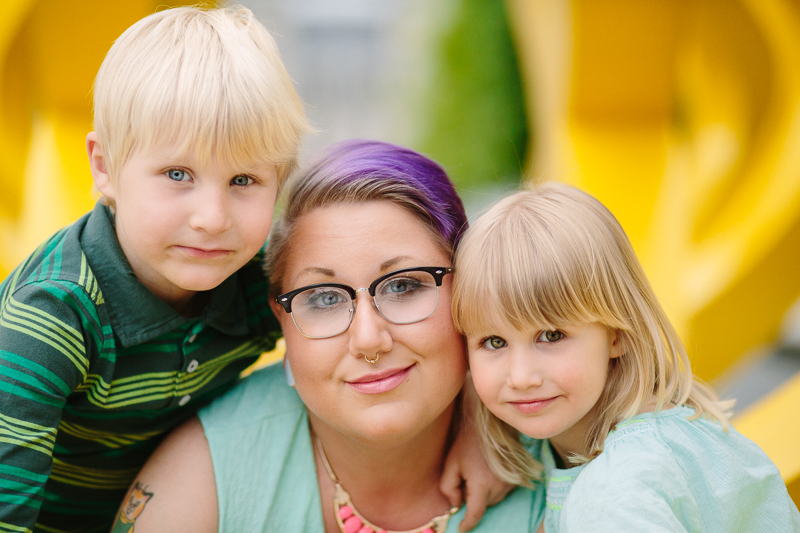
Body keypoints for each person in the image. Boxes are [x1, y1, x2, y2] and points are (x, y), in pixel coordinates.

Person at [113, 139, 546, 533]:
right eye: (323, 298)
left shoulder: (555, 443)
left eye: (403, 286)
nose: (368, 340)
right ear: (281, 318)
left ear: (468, 289)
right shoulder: (204, 479)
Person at [0, 6, 308, 531]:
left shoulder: (261, 280)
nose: (212, 218)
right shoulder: (54, 314)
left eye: (243, 180)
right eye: (177, 174)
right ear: (104, 166)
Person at [452, 182, 800, 532]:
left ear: (616, 333)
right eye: (494, 342)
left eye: (552, 336)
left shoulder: (618, 490)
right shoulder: (619, 431)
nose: (521, 377)